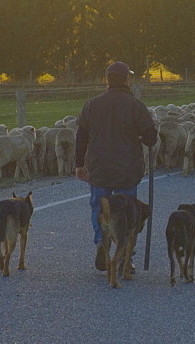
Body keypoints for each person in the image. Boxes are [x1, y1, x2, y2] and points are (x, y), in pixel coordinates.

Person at [75, 61, 157, 271]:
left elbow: (81, 136)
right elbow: (151, 138)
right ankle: (125, 258)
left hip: (99, 168)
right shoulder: (135, 105)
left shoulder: (92, 104)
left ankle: (102, 242)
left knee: (99, 207)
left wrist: (78, 164)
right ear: (126, 80)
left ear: (107, 80)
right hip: (127, 169)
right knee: (127, 211)